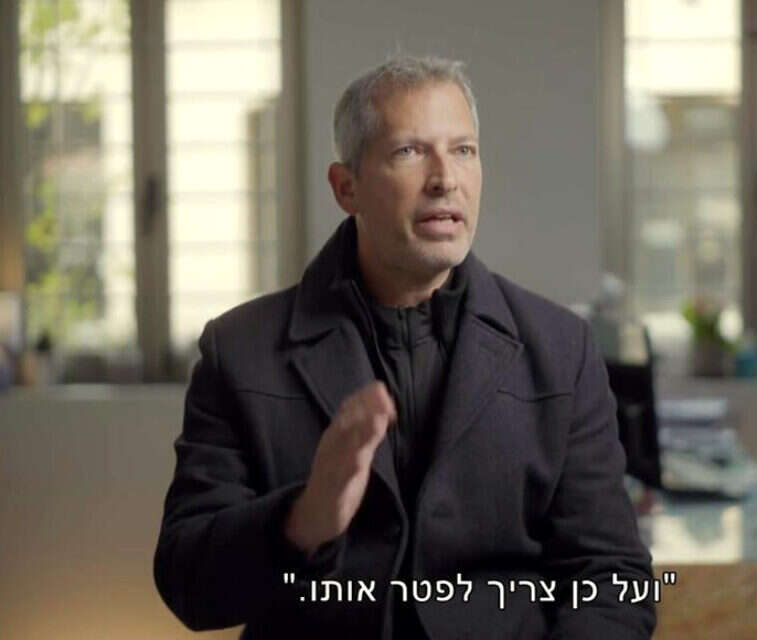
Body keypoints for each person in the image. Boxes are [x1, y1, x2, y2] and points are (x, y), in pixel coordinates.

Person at [153, 55, 657, 640]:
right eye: (410, 151)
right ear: (346, 188)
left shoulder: (561, 349)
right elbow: (188, 583)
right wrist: (303, 520)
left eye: (463, 150)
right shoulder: (241, 350)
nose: (445, 178)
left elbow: (612, 579)